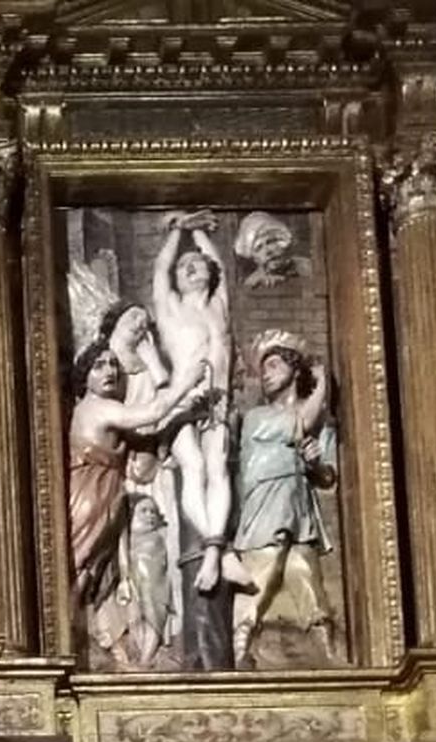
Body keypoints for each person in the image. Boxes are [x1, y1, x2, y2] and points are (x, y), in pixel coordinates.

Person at [67, 343, 208, 616]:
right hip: (90, 495)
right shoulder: (97, 407)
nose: (109, 371)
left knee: (87, 568)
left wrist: (185, 411)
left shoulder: (107, 412)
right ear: (84, 377)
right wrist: (186, 381)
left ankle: (72, 624)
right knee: (79, 565)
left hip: (104, 496)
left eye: (113, 365)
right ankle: (67, 626)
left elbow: (146, 441)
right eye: (99, 366)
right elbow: (153, 413)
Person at [232, 332, 337, 667]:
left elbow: (328, 478)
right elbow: (300, 421)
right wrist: (322, 387)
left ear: (294, 370)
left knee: (304, 572)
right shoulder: (257, 418)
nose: (266, 373)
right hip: (265, 503)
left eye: (274, 365)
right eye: (264, 368)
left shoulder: (322, 426)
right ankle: (239, 650)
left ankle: (327, 653)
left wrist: (314, 463)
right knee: (262, 572)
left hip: (299, 508)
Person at [152, 212, 237, 592]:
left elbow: (217, 263)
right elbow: (161, 268)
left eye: (196, 264)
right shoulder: (171, 308)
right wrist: (178, 232)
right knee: (195, 466)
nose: (191, 268)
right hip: (183, 397)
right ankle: (215, 549)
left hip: (218, 399)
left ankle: (215, 552)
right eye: (184, 266)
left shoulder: (219, 306)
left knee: (217, 467)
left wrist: (198, 230)